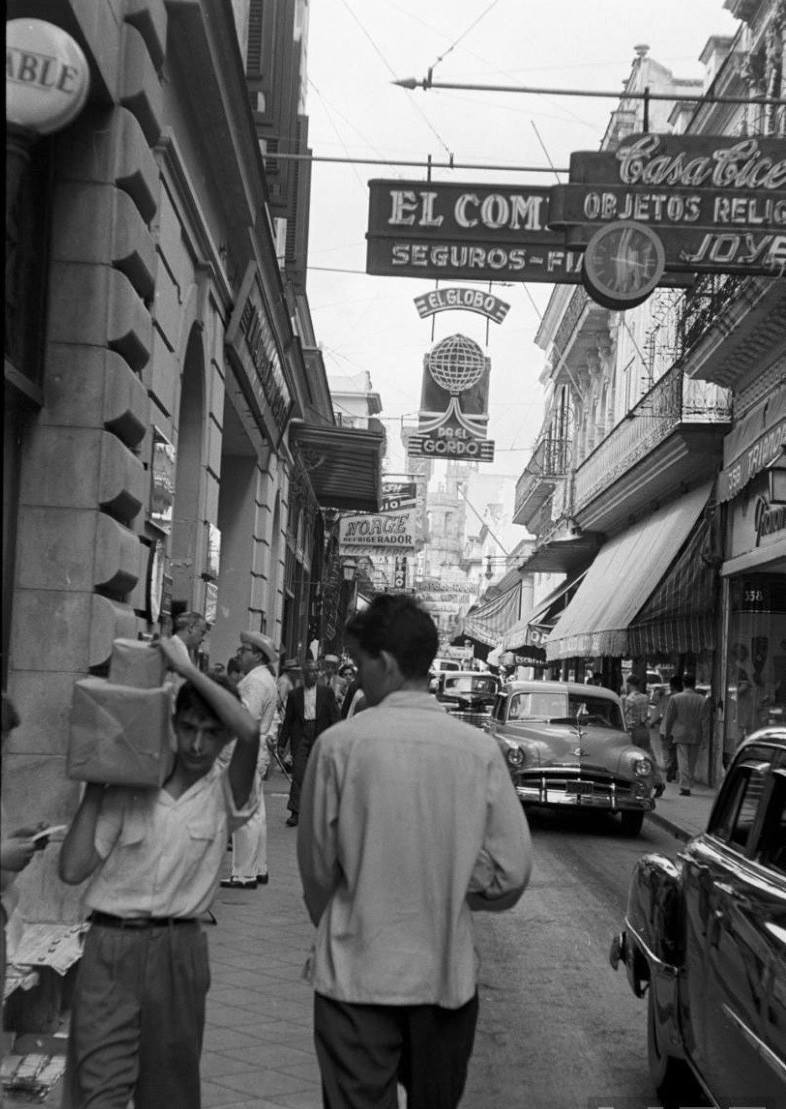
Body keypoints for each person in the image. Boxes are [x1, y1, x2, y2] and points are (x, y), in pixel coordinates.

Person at [297, 594, 532, 1109]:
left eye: (360, 663)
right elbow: (512, 873)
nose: (358, 678)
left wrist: (339, 918)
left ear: (384, 663)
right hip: (445, 980)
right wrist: (451, 881)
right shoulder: (478, 751)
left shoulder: (339, 746)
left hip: (355, 977)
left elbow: (316, 869)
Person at [58, 640, 259, 1109]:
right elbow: (71, 869)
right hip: (110, 946)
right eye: (187, 728)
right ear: (171, 724)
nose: (196, 745)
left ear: (224, 740)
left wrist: (188, 668)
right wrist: (97, 781)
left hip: (178, 950)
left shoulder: (226, 794)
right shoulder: (128, 788)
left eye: (210, 733)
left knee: (170, 1091)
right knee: (97, 1089)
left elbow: (249, 729)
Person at [221, 631, 277, 889]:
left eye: (244, 651)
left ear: (258, 656)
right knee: (257, 812)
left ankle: (244, 873)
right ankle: (258, 867)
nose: (239, 655)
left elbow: (246, 718)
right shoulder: (263, 678)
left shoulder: (255, 682)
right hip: (255, 748)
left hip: (246, 748)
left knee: (245, 811)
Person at [279, 659, 339, 827]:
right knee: (298, 773)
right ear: (304, 674)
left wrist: (337, 739)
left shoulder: (327, 693)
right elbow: (288, 721)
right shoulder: (295, 695)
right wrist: (282, 743)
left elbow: (335, 716)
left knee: (321, 774)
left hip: (320, 735)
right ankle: (295, 812)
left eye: (315, 671)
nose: (313, 674)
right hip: (301, 735)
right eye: (310, 671)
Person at [662, 672, 707, 796]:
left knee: (683, 760)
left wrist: (667, 733)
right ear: (694, 684)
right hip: (696, 733)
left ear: (683, 684)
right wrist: (705, 737)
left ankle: (685, 785)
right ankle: (688, 783)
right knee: (692, 760)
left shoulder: (675, 698)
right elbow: (705, 720)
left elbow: (669, 718)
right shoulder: (702, 700)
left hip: (680, 733)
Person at [657, 675, 683, 781]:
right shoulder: (684, 699)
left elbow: (658, 713)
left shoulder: (666, 698)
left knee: (666, 750)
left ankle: (669, 767)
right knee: (677, 751)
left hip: (665, 729)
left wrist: (651, 722)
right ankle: (674, 767)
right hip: (679, 730)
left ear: (671, 686)